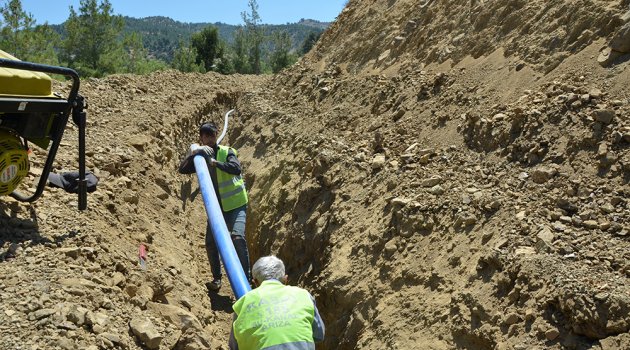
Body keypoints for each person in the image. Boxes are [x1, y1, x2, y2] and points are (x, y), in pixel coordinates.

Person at [178, 121, 252, 290]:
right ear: (201, 138)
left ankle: (246, 281)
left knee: (237, 238)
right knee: (211, 243)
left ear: (215, 135)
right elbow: (182, 169)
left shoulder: (227, 152)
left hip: (236, 204)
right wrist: (195, 153)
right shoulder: (201, 156)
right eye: (205, 136)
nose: (209, 139)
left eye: (211, 135)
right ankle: (217, 279)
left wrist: (214, 163)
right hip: (216, 209)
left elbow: (235, 168)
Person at [229, 256, 325, 350]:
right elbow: (319, 334)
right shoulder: (304, 295)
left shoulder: (243, 304)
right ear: (285, 279)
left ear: (255, 282)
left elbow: (234, 346)